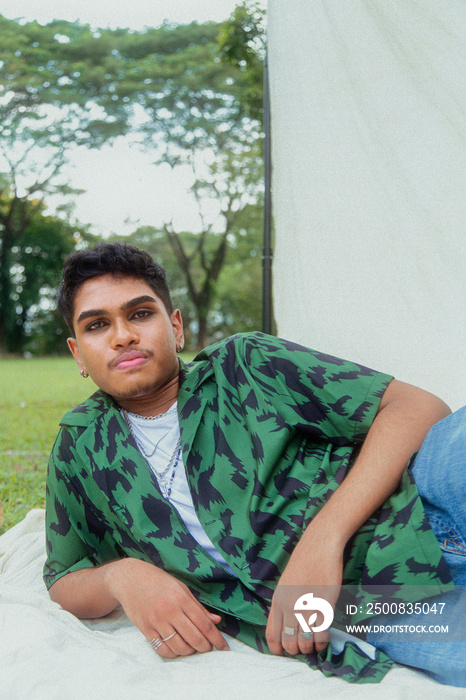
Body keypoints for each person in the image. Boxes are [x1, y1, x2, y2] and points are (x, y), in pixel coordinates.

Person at [44, 243, 465, 685]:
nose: (123, 335)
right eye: (97, 325)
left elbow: (415, 407)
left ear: (176, 326)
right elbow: (64, 579)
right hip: (384, 601)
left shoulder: (243, 364)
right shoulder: (80, 447)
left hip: (429, 489)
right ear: (78, 353)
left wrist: (323, 539)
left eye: (141, 314)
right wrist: (121, 577)